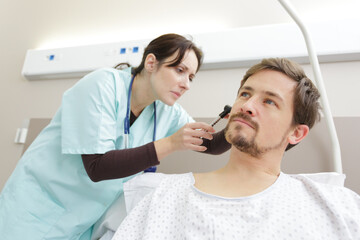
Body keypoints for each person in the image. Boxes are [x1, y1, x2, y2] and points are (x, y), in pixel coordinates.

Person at [0, 33, 231, 240]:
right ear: (151, 63)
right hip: (35, 210)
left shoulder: (165, 111)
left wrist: (242, 120)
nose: (186, 84)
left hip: (82, 220)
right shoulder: (102, 85)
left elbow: (210, 145)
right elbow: (97, 166)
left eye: (191, 77)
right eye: (179, 70)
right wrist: (170, 143)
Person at [111, 58, 360, 240]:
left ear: (296, 133)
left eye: (269, 101)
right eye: (244, 94)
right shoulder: (162, 197)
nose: (247, 105)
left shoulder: (337, 207)